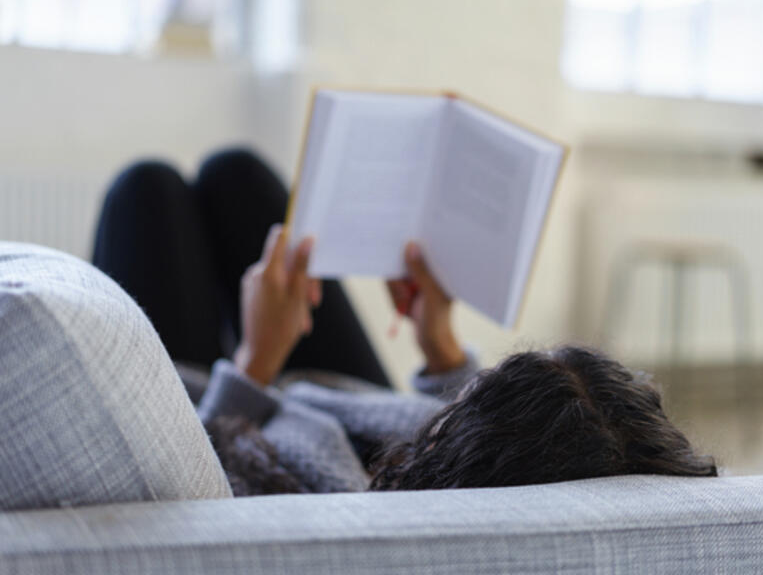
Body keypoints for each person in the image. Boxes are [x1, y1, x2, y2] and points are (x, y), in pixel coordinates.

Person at [93, 148, 717, 495]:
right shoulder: (497, 470)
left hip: (226, 415)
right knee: (239, 176)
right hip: (345, 412)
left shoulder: (338, 509)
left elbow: (201, 485)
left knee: (146, 190)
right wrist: (439, 344)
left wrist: (258, 358)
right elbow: (490, 450)